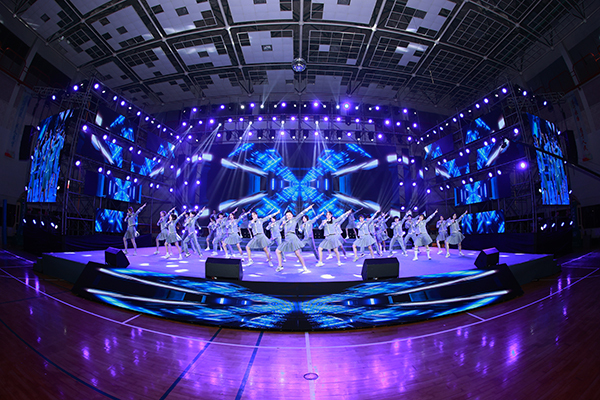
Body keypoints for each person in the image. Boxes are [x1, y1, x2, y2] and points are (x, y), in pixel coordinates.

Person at [275, 204, 314, 273]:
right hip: (287, 239)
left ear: (292, 215)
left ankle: (304, 267)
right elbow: (280, 230)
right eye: (287, 215)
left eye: (289, 215)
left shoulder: (294, 219)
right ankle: (280, 266)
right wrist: (282, 225)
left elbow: (301, 213)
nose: (288, 216)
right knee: (278, 251)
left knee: (298, 254)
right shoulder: (285, 222)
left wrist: (308, 208)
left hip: (292, 237)